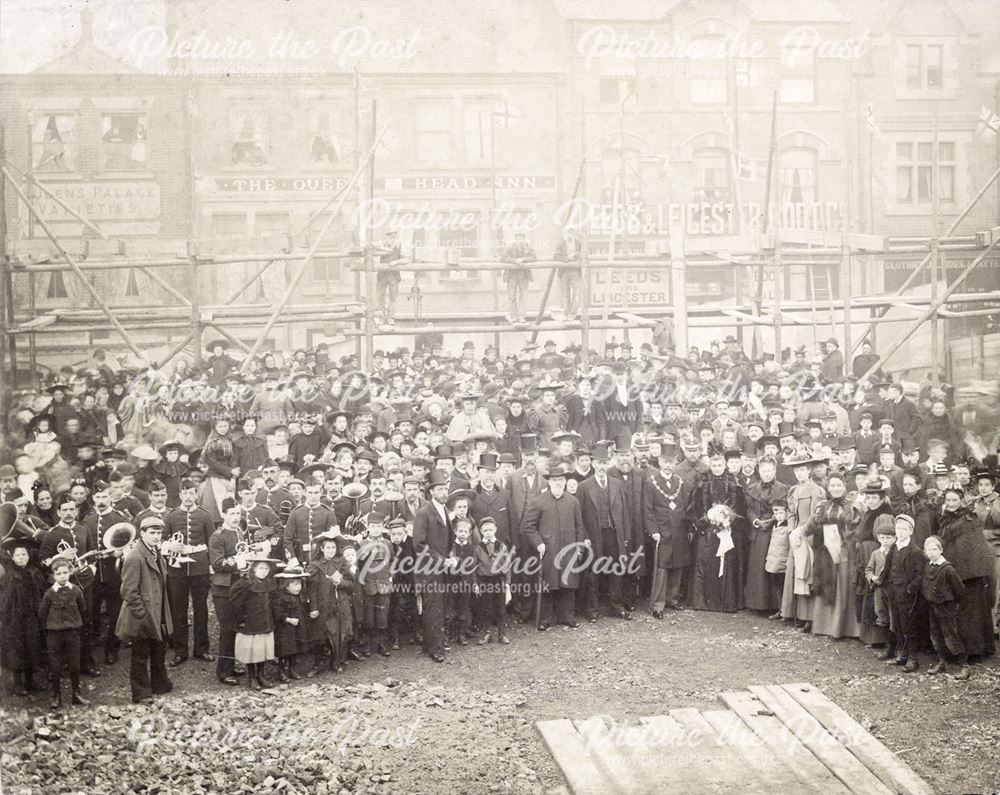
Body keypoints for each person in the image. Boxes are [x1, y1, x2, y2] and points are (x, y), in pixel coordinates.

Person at [115, 515, 174, 704]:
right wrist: (141, 613)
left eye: (159, 533)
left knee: (158, 648)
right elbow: (128, 591)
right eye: (152, 533)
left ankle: (160, 684)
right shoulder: (135, 556)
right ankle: (141, 693)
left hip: (156, 612)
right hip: (141, 615)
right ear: (142, 534)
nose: (156, 536)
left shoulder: (155, 551)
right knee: (140, 655)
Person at [522, 463, 588, 630]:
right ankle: (545, 619)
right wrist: (538, 543)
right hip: (548, 550)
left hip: (569, 549)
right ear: (549, 482)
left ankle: (567, 617)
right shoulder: (539, 502)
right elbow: (528, 526)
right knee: (548, 584)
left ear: (565, 481)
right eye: (555, 480)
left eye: (561, 480)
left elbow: (580, 526)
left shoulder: (573, 502)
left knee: (568, 584)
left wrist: (579, 548)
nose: (558, 483)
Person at [939, 486, 996, 658]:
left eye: (954, 500)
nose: (951, 504)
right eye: (948, 500)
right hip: (954, 569)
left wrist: (961, 572)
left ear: (962, 501)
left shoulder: (968, 519)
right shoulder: (946, 519)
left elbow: (971, 547)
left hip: (969, 574)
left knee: (970, 612)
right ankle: (958, 649)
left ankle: (973, 650)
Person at [161, 479, 214, 667]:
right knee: (179, 610)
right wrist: (169, 546)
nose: (189, 497)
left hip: (199, 566)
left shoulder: (205, 516)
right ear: (180, 495)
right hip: (177, 569)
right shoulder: (171, 516)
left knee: (201, 608)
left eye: (192, 493)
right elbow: (161, 541)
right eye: (185, 493)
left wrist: (210, 567)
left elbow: (211, 542)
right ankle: (180, 651)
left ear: (196, 495)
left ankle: (202, 649)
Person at [578, 442, 632, 621]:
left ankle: (616, 606)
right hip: (595, 536)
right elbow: (580, 516)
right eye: (598, 463)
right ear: (593, 464)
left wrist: (625, 536)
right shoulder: (584, 486)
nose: (601, 466)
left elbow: (624, 512)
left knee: (617, 571)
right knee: (593, 573)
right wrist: (584, 537)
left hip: (614, 534)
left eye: (604, 463)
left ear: (608, 464)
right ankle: (592, 610)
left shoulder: (616, 484)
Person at [643, 444, 690, 617]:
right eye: (665, 461)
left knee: (678, 565)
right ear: (660, 461)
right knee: (662, 568)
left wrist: (687, 528)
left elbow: (685, 507)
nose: (668, 465)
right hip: (662, 532)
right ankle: (658, 605)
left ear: (675, 462)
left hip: (679, 531)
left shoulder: (679, 482)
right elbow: (647, 510)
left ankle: (672, 599)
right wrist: (653, 530)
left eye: (671, 462)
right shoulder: (651, 483)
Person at [412, 469, 452, 662]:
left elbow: (449, 538)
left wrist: (450, 556)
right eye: (440, 489)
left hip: (442, 567)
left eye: (446, 488)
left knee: (440, 606)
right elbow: (419, 544)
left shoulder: (444, 510)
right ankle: (435, 649)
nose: (445, 492)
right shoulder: (424, 512)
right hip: (429, 568)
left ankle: (432, 643)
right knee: (433, 607)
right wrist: (440, 559)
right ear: (432, 492)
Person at [39, 557, 89, 708]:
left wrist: (73, 623)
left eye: (65, 573)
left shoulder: (76, 591)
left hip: (72, 633)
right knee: (55, 667)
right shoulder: (49, 594)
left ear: (70, 573)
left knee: (74, 665)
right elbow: (42, 614)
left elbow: (82, 609)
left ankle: (76, 694)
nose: (62, 576)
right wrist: (54, 624)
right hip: (54, 635)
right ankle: (56, 696)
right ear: (54, 575)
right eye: (59, 573)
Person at [0, 537, 47, 696]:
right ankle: (18, 683)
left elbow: (42, 594)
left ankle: (30, 680)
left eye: (24, 554)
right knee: (17, 650)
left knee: (32, 647)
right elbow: (5, 600)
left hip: (32, 618)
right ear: (12, 557)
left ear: (29, 556)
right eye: (18, 555)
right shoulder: (10, 577)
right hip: (15, 619)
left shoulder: (34, 573)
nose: (21, 558)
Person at [207, 499, 247, 686]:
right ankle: (223, 671)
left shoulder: (239, 532)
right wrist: (239, 562)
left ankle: (231, 665)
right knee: (227, 629)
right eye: (231, 513)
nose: (235, 517)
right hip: (223, 588)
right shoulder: (217, 536)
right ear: (223, 514)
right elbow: (217, 564)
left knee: (235, 628)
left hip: (238, 586)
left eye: (238, 513)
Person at [921, 535, 970, 680]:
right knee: (935, 635)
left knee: (950, 636)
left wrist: (951, 604)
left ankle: (964, 666)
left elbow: (959, 590)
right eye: (928, 549)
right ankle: (942, 662)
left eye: (934, 549)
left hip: (946, 608)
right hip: (932, 606)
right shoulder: (928, 566)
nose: (931, 552)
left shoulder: (948, 569)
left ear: (941, 550)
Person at [229, 553, 279, 691]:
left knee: (262, 650)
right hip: (250, 624)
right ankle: (252, 677)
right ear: (254, 569)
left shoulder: (270, 585)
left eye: (266, 569)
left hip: (265, 623)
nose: (264, 572)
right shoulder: (245, 585)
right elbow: (236, 603)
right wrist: (242, 619)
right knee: (252, 651)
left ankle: (261, 675)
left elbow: (274, 604)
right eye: (261, 568)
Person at [884, 514, 928, 672]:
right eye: (898, 528)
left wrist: (910, 588)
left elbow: (920, 574)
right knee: (897, 624)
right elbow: (887, 568)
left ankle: (913, 658)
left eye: (904, 529)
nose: (901, 532)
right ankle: (902, 655)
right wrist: (886, 584)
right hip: (894, 591)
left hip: (907, 593)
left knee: (908, 625)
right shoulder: (895, 547)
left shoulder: (914, 550)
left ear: (910, 531)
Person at [306, 532, 353, 676]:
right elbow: (311, 590)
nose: (331, 550)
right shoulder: (315, 565)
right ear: (321, 549)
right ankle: (318, 664)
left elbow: (351, 584)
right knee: (320, 635)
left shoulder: (342, 563)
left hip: (339, 605)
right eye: (328, 548)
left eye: (333, 547)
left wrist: (340, 582)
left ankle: (336, 661)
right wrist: (313, 607)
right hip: (322, 606)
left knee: (338, 634)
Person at [474, 516, 512, 645]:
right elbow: (473, 567)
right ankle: (487, 633)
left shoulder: (501, 545)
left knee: (500, 608)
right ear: (481, 532)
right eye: (485, 531)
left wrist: (507, 584)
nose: (488, 532)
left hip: (498, 580)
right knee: (486, 608)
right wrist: (476, 584)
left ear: (495, 529)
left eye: (490, 529)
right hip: (484, 581)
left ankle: (502, 634)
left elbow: (507, 565)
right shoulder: (478, 547)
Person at [272, 566, 311, 681]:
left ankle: (292, 669)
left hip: (298, 626)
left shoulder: (299, 596)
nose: (298, 587)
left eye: (299, 584)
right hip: (285, 628)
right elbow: (277, 612)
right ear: (286, 585)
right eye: (295, 584)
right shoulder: (279, 597)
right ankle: (282, 671)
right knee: (285, 649)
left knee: (296, 648)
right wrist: (288, 619)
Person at [500, 232, 536, 323]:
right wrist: (514, 261)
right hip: (511, 275)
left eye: (522, 238)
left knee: (523, 296)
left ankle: (522, 317)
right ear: (515, 239)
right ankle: (513, 317)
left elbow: (534, 257)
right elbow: (503, 258)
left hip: (523, 275)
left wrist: (523, 259)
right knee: (512, 297)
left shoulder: (528, 247)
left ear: (524, 239)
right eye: (518, 238)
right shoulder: (510, 247)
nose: (520, 240)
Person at [374, 230, 405, 326]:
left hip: (394, 275)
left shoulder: (400, 245)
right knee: (379, 297)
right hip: (382, 275)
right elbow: (374, 253)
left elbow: (406, 259)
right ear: (386, 236)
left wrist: (396, 262)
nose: (391, 238)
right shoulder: (381, 245)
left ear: (396, 236)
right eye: (389, 236)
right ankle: (382, 317)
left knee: (393, 298)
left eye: (393, 236)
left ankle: (391, 317)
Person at [554, 226, 582, 320]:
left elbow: (583, 253)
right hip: (564, 271)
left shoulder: (578, 242)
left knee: (577, 293)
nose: (569, 235)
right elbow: (556, 256)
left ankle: (573, 314)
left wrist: (576, 254)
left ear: (574, 234)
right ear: (564, 234)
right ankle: (567, 313)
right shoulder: (561, 243)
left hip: (575, 271)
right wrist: (567, 259)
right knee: (566, 294)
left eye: (571, 233)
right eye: (567, 233)